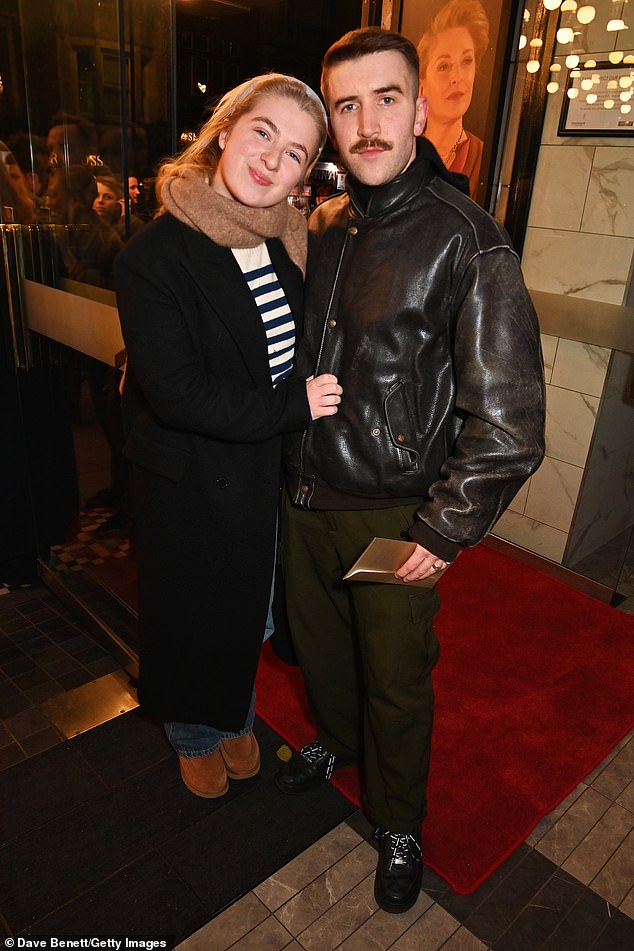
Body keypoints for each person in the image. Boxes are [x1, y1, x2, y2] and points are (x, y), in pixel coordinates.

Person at [276, 27, 545, 915]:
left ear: (421, 110)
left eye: (385, 98)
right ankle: (336, 740)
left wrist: (443, 529)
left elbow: (509, 423)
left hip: (394, 515)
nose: (367, 122)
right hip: (309, 497)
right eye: (346, 105)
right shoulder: (324, 222)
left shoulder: (470, 241)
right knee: (322, 655)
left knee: (396, 680)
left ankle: (399, 821)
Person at [114, 73, 341, 800]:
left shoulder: (286, 239)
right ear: (225, 130)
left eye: (297, 153)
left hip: (258, 471)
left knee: (250, 610)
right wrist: (293, 408)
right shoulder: (153, 256)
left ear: (307, 176)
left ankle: (234, 713)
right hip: (189, 474)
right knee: (192, 616)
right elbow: (178, 393)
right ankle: (193, 732)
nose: (274, 160)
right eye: (264, 133)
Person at [417, 0, 490, 200]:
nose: (457, 77)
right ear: (421, 84)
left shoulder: (485, 160)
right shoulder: (403, 153)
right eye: (443, 66)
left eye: (466, 61)